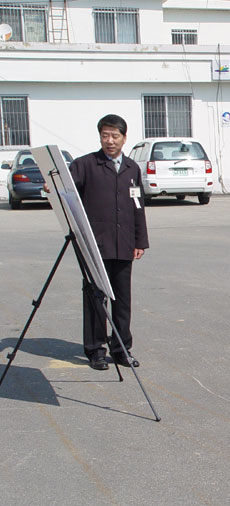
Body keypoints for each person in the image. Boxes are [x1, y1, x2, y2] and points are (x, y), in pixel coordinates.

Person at [69, 114, 149, 371]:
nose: (110, 141)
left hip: (123, 244)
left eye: (115, 136)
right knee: (95, 297)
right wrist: (52, 187)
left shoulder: (132, 169)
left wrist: (140, 241)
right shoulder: (85, 165)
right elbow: (66, 190)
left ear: (125, 138)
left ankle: (121, 349)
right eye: (105, 136)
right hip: (95, 245)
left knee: (122, 299)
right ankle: (95, 350)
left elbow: (138, 205)